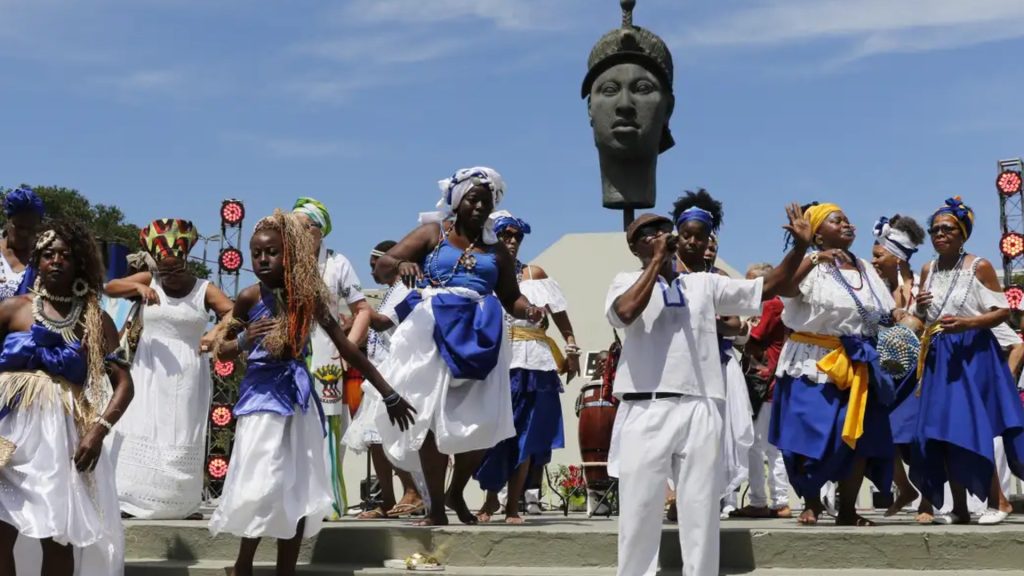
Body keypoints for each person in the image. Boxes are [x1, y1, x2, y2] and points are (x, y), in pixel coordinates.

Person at [606, 203, 810, 576]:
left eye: (663, 231)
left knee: (700, 509)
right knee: (638, 511)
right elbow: (625, 313)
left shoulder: (703, 282)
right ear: (634, 247)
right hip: (645, 407)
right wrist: (656, 265)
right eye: (648, 236)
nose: (659, 238)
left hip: (700, 405)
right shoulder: (624, 281)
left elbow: (770, 287)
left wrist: (798, 248)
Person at [208, 211, 415, 576]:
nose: (262, 260)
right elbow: (221, 350)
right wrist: (243, 339)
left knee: (297, 489)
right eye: (256, 254)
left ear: (289, 255)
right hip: (260, 401)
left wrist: (388, 392)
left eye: (271, 252)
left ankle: (285, 569)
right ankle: (243, 566)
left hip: (298, 400)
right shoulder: (248, 297)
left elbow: (348, 348)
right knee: (260, 484)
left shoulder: (310, 298)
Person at [371, 167, 544, 527]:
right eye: (473, 198)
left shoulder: (496, 251)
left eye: (487, 200)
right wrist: (403, 263)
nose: (480, 206)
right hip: (433, 329)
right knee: (431, 417)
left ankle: (457, 490)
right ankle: (436, 506)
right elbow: (384, 267)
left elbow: (511, 297)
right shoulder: (434, 233)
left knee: (481, 421)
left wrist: (530, 310)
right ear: (456, 200)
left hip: (481, 332)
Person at [0, 221, 134, 576]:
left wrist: (98, 432)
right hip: (8, 437)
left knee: (58, 537)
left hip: (60, 440)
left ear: (80, 264)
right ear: (36, 261)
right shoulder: (12, 309)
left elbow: (124, 384)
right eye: (48, 254)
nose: (56, 261)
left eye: (66, 255)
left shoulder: (95, 320)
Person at [769, 202, 899, 527]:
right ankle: (811, 502)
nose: (846, 224)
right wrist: (810, 255)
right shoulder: (808, 262)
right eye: (836, 220)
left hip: (859, 360)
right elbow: (784, 288)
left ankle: (847, 509)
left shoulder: (866, 268)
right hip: (813, 361)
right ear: (817, 234)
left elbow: (884, 312)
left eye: (847, 219)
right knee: (806, 433)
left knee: (855, 436)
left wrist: (903, 319)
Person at [104, 219, 234, 520]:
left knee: (182, 430)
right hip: (149, 370)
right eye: (165, 270)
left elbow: (232, 311)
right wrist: (138, 285)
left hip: (189, 370)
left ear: (186, 262)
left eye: (176, 269)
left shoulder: (204, 288)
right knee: (143, 425)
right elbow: (109, 287)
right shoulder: (150, 279)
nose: (170, 276)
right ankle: (132, 499)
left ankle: (180, 503)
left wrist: (214, 335)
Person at [910, 197, 1024, 526]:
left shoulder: (980, 266)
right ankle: (959, 507)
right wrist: (920, 308)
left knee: (971, 426)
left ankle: (998, 501)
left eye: (947, 228)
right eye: (934, 229)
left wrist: (968, 324)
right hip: (939, 352)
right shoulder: (929, 269)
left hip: (972, 350)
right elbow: (924, 317)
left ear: (962, 233)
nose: (939, 234)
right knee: (943, 430)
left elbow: (1004, 311)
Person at [475, 211, 581, 525]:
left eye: (516, 236)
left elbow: (559, 313)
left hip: (534, 362)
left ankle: (513, 506)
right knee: (494, 432)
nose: (511, 241)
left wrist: (571, 346)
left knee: (526, 433)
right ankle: (491, 496)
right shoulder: (482, 273)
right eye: (504, 235)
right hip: (498, 361)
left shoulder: (534, 274)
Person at [670, 191, 754, 518]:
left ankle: (712, 497)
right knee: (677, 436)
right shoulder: (666, 275)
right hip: (676, 368)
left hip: (715, 365)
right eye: (688, 235)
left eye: (703, 237)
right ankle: (677, 497)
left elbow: (733, 324)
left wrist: (708, 319)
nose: (698, 243)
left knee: (715, 434)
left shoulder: (718, 279)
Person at [292, 197, 371, 519]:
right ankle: (293, 502)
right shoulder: (282, 260)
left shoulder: (338, 263)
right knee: (290, 427)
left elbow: (362, 311)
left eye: (299, 227)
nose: (292, 234)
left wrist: (346, 350)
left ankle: (329, 504)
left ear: (317, 231)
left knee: (328, 430)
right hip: (290, 355)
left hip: (327, 356)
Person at [343, 240, 424, 520]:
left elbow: (382, 323)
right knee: (374, 439)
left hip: (395, 372)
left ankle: (412, 491)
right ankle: (388, 501)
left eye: (374, 265)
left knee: (384, 436)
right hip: (379, 372)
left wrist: (358, 311)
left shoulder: (408, 287)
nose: (372, 271)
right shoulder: (391, 291)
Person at [869, 214, 934, 522]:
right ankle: (904, 488)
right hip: (886, 374)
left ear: (896, 257)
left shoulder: (924, 284)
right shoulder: (873, 288)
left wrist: (917, 315)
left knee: (918, 437)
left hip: (920, 374)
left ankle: (927, 501)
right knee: (886, 434)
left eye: (878, 255)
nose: (874, 260)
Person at [732, 263, 792, 519]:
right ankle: (768, 500)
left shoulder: (770, 304)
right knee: (761, 445)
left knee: (761, 445)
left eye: (751, 282)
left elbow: (752, 338)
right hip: (760, 381)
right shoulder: (766, 305)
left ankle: (773, 501)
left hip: (765, 383)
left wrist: (730, 329)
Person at [0, 187, 44, 300]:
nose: (24, 234)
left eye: (31, 229)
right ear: (8, 220)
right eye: (19, 227)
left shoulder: (41, 262)